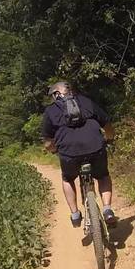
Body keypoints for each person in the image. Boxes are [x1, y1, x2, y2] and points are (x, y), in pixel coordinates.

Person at [41, 81, 116, 227]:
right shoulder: (85, 101)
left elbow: (48, 142)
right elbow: (107, 124)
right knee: (102, 176)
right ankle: (107, 210)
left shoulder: (51, 111)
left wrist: (54, 150)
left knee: (68, 179)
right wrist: (109, 138)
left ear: (56, 94)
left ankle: (75, 214)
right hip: (95, 148)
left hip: (69, 153)